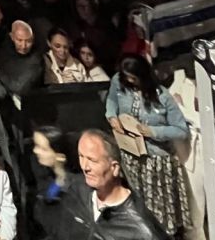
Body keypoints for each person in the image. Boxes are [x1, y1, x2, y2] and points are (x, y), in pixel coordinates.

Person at [105, 57, 191, 236]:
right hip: (130, 156)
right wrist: (112, 115)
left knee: (158, 212)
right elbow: (111, 100)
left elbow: (181, 131)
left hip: (155, 163)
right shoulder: (118, 82)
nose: (129, 82)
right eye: (126, 78)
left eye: (134, 79)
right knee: (137, 206)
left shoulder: (162, 96)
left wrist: (152, 131)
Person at [70, 128, 167, 240]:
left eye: (92, 160)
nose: (84, 167)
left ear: (114, 168)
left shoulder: (141, 230)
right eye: (81, 156)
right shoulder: (79, 190)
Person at [31, 125, 74, 240]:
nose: (35, 151)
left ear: (60, 155)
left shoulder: (73, 186)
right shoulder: (44, 173)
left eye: (43, 148)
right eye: (36, 145)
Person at [0, 20, 44, 99]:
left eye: (28, 41)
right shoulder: (4, 53)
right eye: (19, 40)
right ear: (12, 37)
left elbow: (19, 88)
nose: (24, 46)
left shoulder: (36, 60)